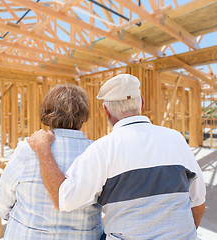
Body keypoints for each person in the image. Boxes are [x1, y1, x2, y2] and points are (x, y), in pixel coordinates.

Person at [27, 74, 206, 240]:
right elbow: (197, 202)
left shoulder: (102, 149)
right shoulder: (176, 139)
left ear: (106, 111)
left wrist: (43, 150)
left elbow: (63, 200)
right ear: (141, 103)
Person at [0, 84, 103, 239]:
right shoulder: (98, 152)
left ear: (47, 112)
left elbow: (4, 199)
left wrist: (12, 218)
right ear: (84, 114)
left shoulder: (27, 149)